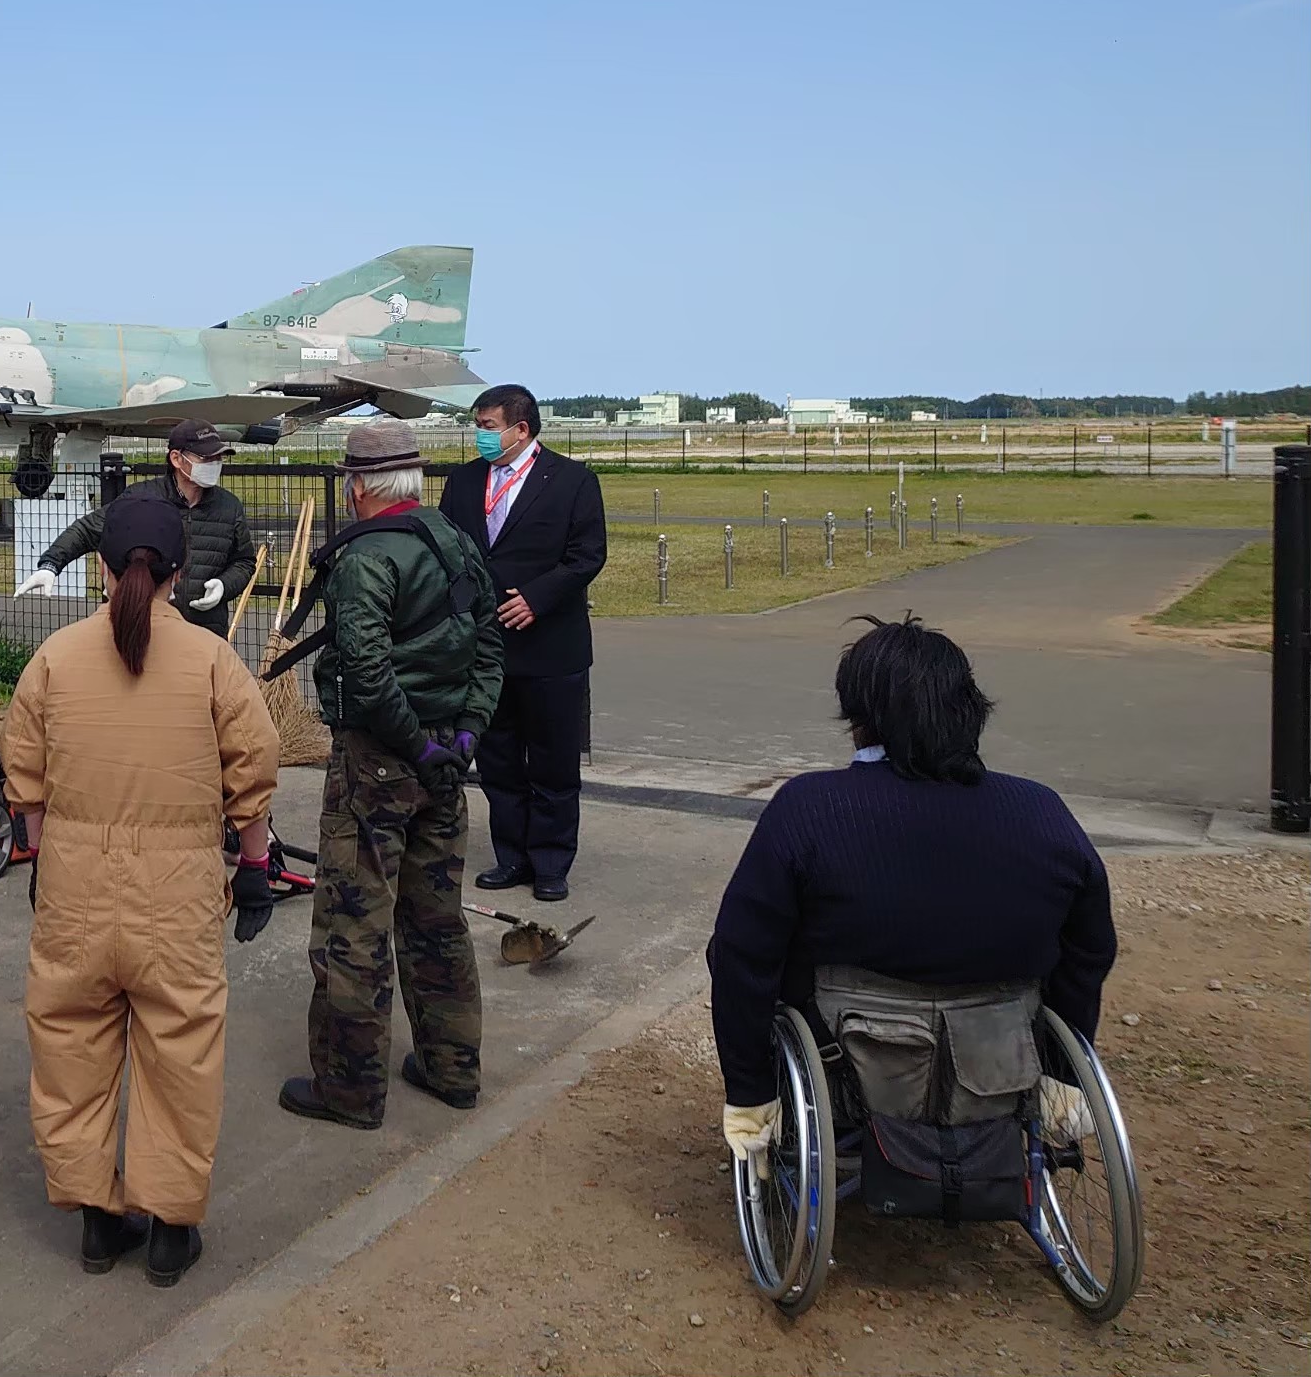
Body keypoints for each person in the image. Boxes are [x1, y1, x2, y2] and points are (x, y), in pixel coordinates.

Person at [705, 616, 1117, 1168]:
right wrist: (1061, 1074)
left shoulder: (808, 809)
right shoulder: (1042, 812)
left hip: (847, 1072)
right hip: (998, 1065)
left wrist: (750, 1091)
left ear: (859, 719)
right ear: (969, 711)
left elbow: (742, 952)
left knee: (741, 953)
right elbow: (1090, 948)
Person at [1, 496, 278, 1288]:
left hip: (75, 890)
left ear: (101, 566)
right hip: (177, 895)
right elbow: (253, 773)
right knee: (180, 1050)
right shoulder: (212, 661)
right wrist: (253, 867)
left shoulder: (54, 658)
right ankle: (170, 1229)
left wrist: (44, 858)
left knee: (71, 1047)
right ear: (178, 572)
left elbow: (24, 778)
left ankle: (96, 1218)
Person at [279, 417, 503, 1131]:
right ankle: (452, 1068)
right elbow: (490, 645)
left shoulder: (366, 559)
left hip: (377, 762)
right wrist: (462, 735)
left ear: (358, 486)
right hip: (446, 757)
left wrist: (415, 745)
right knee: (436, 918)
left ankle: (350, 1089)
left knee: (354, 922)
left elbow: (368, 673)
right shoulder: (454, 541)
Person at [438, 383, 606, 901]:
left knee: (553, 762)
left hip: (551, 645)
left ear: (521, 429)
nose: (480, 436)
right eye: (477, 427)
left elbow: (587, 555)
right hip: (487, 649)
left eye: (488, 427)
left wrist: (537, 598)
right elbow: (449, 549)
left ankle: (551, 862)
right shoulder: (465, 481)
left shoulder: (573, 480)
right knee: (499, 760)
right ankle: (511, 856)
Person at [14, 419, 258, 640]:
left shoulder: (229, 506)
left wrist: (224, 586)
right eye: (206, 459)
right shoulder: (142, 498)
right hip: (145, 630)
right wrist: (50, 565)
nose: (215, 465)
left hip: (205, 632)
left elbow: (244, 561)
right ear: (176, 459)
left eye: (218, 458)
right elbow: (87, 529)